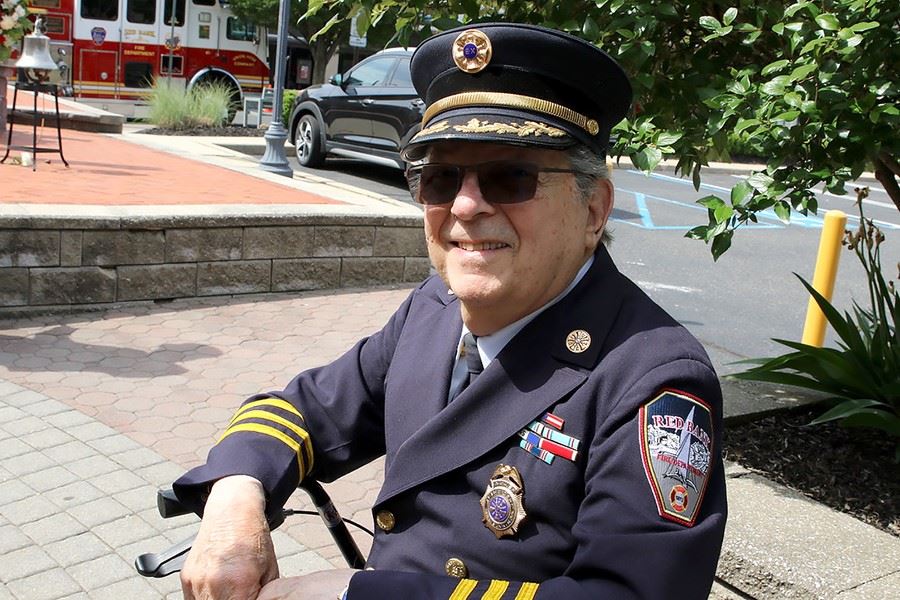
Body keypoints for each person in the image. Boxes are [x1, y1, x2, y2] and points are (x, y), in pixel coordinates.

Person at [174, 22, 727, 600]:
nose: (464, 204)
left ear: (594, 209)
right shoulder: (435, 305)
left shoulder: (651, 380)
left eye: (510, 176)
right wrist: (236, 495)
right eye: (440, 178)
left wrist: (356, 596)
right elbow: (306, 408)